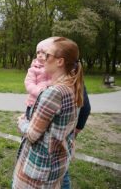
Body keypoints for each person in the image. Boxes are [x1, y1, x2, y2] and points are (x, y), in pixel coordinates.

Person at [12, 37, 84, 188]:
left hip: (39, 169)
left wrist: (22, 122)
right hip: (56, 164)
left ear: (60, 61)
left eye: (47, 55)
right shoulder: (72, 85)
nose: (43, 58)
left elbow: (32, 135)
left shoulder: (54, 93)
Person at [16, 38, 53, 158]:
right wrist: (41, 92)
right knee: (28, 127)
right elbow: (29, 84)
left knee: (41, 130)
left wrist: (49, 88)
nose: (40, 55)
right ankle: (23, 151)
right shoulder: (33, 69)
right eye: (38, 53)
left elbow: (54, 81)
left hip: (46, 105)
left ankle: (39, 150)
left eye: (44, 52)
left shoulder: (52, 69)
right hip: (32, 104)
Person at [61, 85, 91, 189]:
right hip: (67, 132)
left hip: (58, 134)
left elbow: (86, 107)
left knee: (61, 171)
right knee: (62, 168)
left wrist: (77, 130)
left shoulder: (63, 78)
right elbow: (86, 108)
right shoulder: (76, 77)